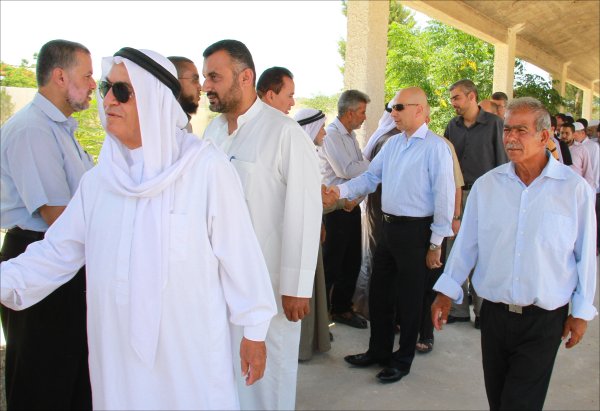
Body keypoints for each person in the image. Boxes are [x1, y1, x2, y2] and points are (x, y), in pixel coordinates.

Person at [1, 47, 277, 410]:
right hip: (117, 357)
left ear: (154, 100)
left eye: (122, 92)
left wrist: (254, 331)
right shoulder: (100, 183)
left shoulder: (205, 169)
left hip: (187, 355)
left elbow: (240, 256)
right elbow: (55, 253)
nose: (108, 100)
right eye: (106, 88)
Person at [432, 97, 597, 410]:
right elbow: (467, 245)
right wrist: (446, 292)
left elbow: (585, 256)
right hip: (494, 315)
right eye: (507, 130)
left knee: (519, 403)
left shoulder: (574, 190)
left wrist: (581, 312)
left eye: (521, 130)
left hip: (544, 319)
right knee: (498, 400)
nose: (510, 138)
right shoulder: (487, 186)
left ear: (544, 136)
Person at [201, 39, 322, 410]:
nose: (206, 86)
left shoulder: (284, 133)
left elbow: (305, 210)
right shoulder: (212, 133)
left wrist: (297, 286)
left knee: (267, 385)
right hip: (219, 285)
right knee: (224, 380)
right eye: (205, 77)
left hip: (269, 287)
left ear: (245, 77)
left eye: (214, 77)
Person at [324, 87, 454, 383]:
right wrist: (338, 191)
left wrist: (436, 243)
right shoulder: (393, 144)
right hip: (389, 228)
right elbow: (370, 177)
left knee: (410, 299)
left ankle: (402, 359)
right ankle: (378, 351)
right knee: (380, 294)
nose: (392, 113)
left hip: (417, 232)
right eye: (392, 108)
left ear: (419, 110)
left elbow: (444, 197)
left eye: (399, 107)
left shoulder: (436, 148)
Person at [0, 39, 95, 410]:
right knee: (41, 377)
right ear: (60, 76)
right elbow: (57, 216)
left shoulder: (60, 128)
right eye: (86, 76)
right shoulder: (34, 130)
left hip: (62, 256)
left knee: (69, 374)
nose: (93, 85)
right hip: (38, 255)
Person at [444, 79, 507, 328]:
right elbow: (446, 162)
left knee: (482, 252)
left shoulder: (495, 124)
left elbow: (503, 164)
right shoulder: (452, 125)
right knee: (454, 250)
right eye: (452, 98)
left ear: (472, 96)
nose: (453, 103)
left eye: (456, 97)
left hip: (486, 196)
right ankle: (458, 309)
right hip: (457, 195)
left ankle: (482, 311)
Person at [319, 89, 371, 329]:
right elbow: (347, 171)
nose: (364, 117)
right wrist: (373, 165)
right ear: (350, 112)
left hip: (351, 206)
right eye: (362, 112)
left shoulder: (350, 136)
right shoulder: (332, 135)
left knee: (351, 261)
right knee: (332, 263)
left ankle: (342, 309)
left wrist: (357, 197)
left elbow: (358, 171)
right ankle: (322, 319)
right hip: (335, 210)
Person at [293, 108, 332, 360]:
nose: (324, 133)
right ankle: (302, 346)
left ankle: (314, 339)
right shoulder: (299, 154)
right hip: (299, 230)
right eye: (321, 127)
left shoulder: (308, 152)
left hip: (312, 224)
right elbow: (305, 197)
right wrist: (339, 201)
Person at [167, 56, 202, 132]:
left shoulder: (186, 126)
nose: (200, 87)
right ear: (174, 81)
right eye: (195, 79)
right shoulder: (155, 124)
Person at [560, 122, 595, 189]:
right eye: (562, 133)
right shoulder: (556, 148)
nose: (563, 136)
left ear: (573, 135)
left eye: (567, 133)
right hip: (560, 187)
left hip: (576, 187)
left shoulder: (581, 149)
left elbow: (588, 173)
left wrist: (589, 190)